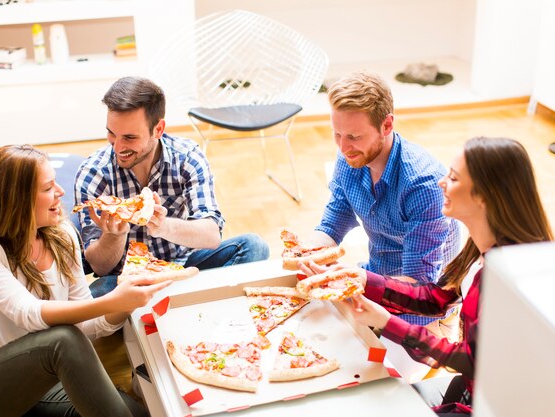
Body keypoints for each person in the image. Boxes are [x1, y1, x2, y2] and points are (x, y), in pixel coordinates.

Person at [303, 137, 553, 415]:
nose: (441, 182)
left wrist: (386, 322)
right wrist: (363, 279)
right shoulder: (480, 249)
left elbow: (472, 360)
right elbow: (436, 298)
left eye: (454, 178)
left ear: (483, 196)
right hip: (473, 390)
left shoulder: (508, 278)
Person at [0, 145, 171, 417]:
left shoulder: (62, 234)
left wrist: (127, 300)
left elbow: (86, 326)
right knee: (63, 338)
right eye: (48, 187)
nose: (60, 193)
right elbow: (27, 313)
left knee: (138, 413)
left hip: (40, 381)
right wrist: (111, 300)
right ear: (18, 198)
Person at [75, 77, 269, 297]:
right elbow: (100, 268)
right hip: (125, 281)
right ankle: (193, 299)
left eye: (129, 137)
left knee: (254, 247)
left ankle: (181, 300)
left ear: (158, 129)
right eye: (112, 133)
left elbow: (212, 235)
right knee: (96, 294)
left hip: (184, 266)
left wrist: (162, 226)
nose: (118, 147)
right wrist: (114, 236)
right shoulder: (93, 173)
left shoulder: (187, 157)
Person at [305, 71, 461, 327]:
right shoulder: (351, 156)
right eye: (337, 134)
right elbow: (333, 222)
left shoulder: (423, 184)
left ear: (387, 125)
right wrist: (308, 254)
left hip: (421, 310)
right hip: (377, 277)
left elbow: (419, 284)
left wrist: (356, 281)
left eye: (354, 137)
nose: (343, 148)